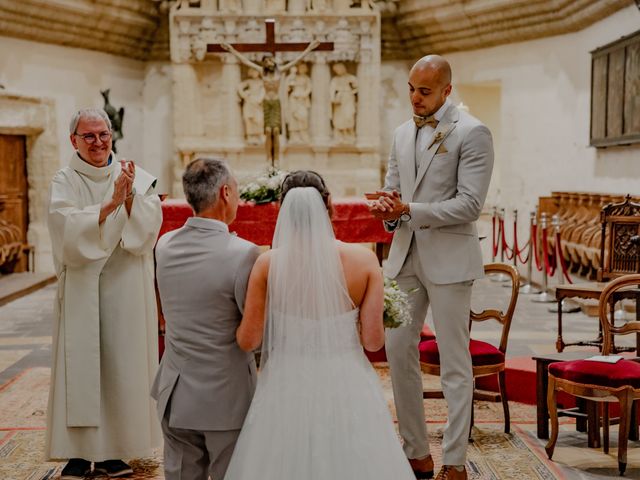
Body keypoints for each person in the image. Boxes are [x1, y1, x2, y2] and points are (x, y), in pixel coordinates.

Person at [224, 171, 415, 480]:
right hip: (347, 380)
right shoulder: (364, 261)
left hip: (286, 381)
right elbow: (373, 342)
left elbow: (249, 341)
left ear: (282, 209)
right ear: (329, 205)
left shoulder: (268, 264)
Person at [368, 55, 493, 480]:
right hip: (404, 256)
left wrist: (410, 209)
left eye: (424, 91)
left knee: (455, 361)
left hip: (450, 259)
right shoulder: (403, 132)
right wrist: (387, 209)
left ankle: (454, 461)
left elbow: (470, 203)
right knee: (398, 352)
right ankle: (416, 452)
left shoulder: (473, 132)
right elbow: (393, 188)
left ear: (446, 90)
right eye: (411, 88)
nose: (415, 98)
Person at [45, 108, 162, 479]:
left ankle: (115, 451)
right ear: (73, 140)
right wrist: (110, 203)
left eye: (103, 135)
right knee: (81, 366)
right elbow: (64, 227)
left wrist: (128, 197)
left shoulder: (133, 175)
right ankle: (79, 453)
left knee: (120, 366)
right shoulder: (64, 180)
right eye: (89, 136)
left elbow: (147, 229)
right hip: (82, 286)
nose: (98, 143)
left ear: (112, 135)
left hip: (124, 285)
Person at [151, 158, 260, 480]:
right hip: (227, 397)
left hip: (175, 392)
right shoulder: (244, 253)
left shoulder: (164, 244)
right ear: (226, 193)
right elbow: (252, 331)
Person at [221, 41, 320, 167]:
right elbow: (245, 61)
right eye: (267, 61)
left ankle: (276, 159)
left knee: (276, 130)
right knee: (268, 131)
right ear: (264, 63)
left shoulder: (280, 71)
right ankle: (268, 158)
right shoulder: (262, 72)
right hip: (267, 102)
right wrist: (231, 50)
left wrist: (309, 48)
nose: (269, 63)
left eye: (271, 60)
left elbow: (296, 60)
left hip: (276, 102)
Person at [330, 62, 358, 143]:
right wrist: (333, 99)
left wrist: (351, 92)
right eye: (336, 71)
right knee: (339, 117)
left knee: (349, 115)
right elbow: (331, 90)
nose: (337, 72)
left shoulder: (351, 78)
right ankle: (341, 135)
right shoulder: (335, 80)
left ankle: (349, 134)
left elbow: (358, 87)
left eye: (338, 69)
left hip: (348, 99)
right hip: (339, 100)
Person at [237, 68, 265, 145]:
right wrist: (245, 95)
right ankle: (250, 136)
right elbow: (239, 87)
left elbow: (263, 91)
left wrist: (259, 99)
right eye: (253, 72)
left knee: (259, 119)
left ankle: (260, 135)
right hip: (249, 102)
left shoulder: (261, 82)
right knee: (249, 119)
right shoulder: (249, 82)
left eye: (256, 72)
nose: (254, 74)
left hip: (257, 103)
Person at [285, 63, 312, 144]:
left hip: (302, 99)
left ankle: (303, 134)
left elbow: (309, 88)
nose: (301, 70)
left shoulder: (306, 78)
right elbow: (287, 87)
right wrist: (291, 75)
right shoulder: (293, 77)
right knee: (293, 117)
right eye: (300, 68)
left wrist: (304, 94)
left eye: (303, 68)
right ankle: (294, 136)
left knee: (303, 116)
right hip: (294, 98)